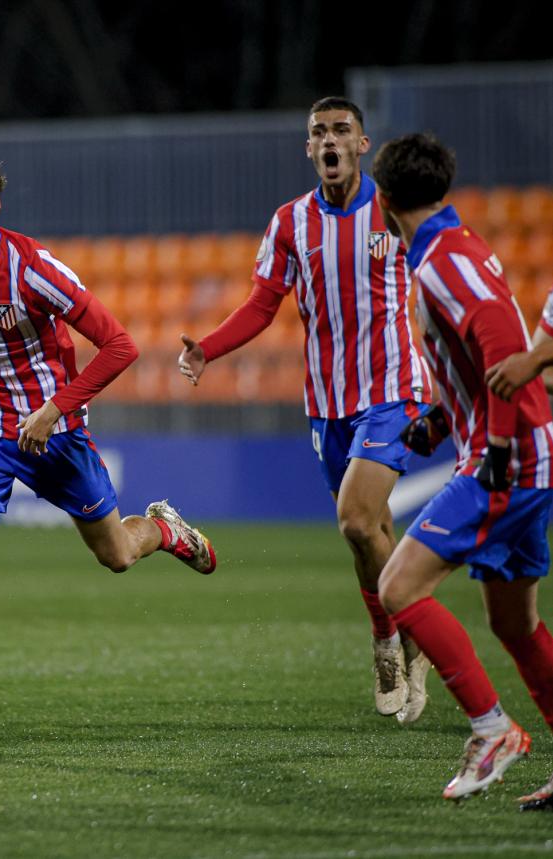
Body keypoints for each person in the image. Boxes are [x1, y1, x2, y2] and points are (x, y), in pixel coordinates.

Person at [0, 146, 216, 755]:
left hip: (55, 428)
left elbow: (119, 345)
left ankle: (165, 530)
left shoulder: (33, 268)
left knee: (117, 555)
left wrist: (55, 409)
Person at [177, 97, 432, 723]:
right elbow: (262, 304)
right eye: (318, 132)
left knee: (353, 520)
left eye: (341, 130)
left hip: (394, 389)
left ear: (363, 144)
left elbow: (442, 278)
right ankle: (415, 637)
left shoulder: (394, 209)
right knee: (369, 534)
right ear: (308, 149)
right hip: (327, 404)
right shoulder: (290, 222)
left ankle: (385, 641)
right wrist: (207, 349)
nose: (329, 140)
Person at [372, 132, 553, 804]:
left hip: (508, 460)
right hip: (521, 450)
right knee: (515, 624)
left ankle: (492, 727)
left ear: (384, 201)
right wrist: (442, 420)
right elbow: (485, 362)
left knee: (398, 589)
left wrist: (499, 448)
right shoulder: (455, 247)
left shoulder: (442, 261)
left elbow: (503, 342)